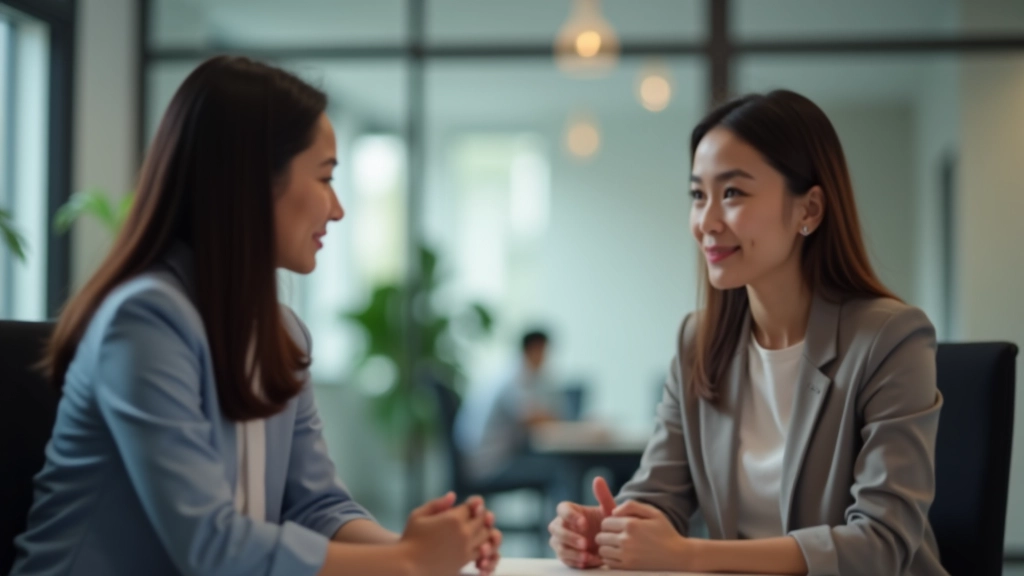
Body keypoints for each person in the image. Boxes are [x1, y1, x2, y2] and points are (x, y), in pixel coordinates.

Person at [11, 56, 500, 576]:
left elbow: (316, 507)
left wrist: (409, 547)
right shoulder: (143, 322)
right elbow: (209, 544)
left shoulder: (282, 334)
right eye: (325, 177)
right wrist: (407, 562)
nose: (337, 209)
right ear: (251, 183)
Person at [547, 90, 947, 576]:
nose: (706, 222)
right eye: (698, 195)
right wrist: (609, 529)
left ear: (810, 210)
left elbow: (880, 544)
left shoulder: (889, 338)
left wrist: (688, 554)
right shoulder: (699, 342)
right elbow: (658, 497)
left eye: (732, 192)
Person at [455, 330, 561, 485]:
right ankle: (567, 510)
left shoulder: (505, 372)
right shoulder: (515, 378)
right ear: (534, 349)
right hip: (487, 464)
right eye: (544, 352)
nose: (546, 359)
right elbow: (533, 418)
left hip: (475, 458)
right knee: (560, 469)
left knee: (550, 463)